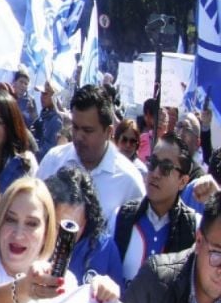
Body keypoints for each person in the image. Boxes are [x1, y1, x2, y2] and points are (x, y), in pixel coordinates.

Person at [0, 178, 120, 303]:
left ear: (47, 231)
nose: (18, 234)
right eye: (10, 219)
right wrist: (26, 288)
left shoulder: (63, 281)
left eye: (31, 224)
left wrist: (99, 296)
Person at [38, 84, 146, 227]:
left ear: (108, 132)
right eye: (75, 127)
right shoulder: (53, 160)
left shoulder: (129, 181)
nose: (79, 136)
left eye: (88, 130)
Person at [113, 135, 198, 284]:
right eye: (153, 163)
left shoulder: (193, 226)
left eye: (166, 168)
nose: (155, 173)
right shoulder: (122, 216)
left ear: (183, 182)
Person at [44, 166, 124, 286]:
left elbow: (118, 300)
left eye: (71, 228)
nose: (64, 237)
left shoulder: (104, 247)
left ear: (87, 222)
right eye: (57, 226)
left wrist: (109, 291)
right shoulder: (31, 240)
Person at [32, 80, 64, 156]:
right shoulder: (45, 114)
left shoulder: (56, 120)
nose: (41, 97)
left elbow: (48, 151)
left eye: (45, 94)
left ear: (54, 97)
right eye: (41, 94)